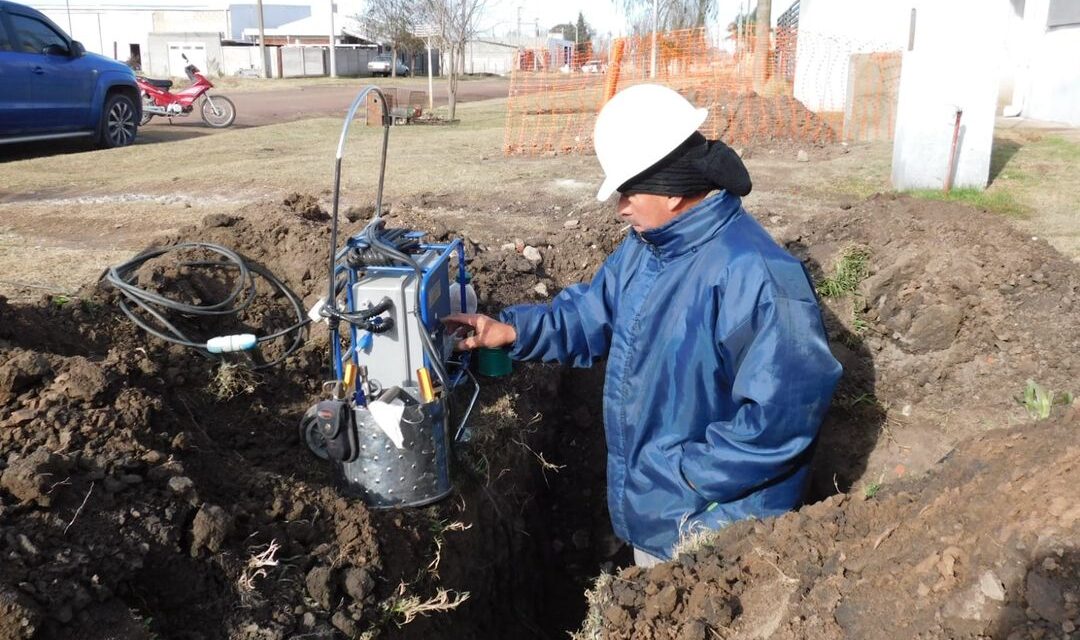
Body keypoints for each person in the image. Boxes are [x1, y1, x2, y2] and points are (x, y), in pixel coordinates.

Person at [445, 84, 841, 566]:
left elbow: (781, 420)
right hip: (661, 504)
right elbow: (593, 311)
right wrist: (513, 331)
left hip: (712, 527)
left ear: (673, 189)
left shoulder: (756, 276)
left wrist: (683, 477)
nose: (621, 207)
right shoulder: (649, 247)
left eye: (629, 191)